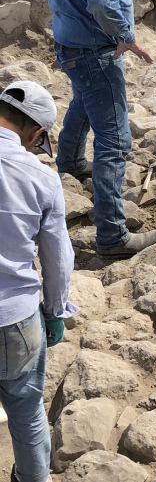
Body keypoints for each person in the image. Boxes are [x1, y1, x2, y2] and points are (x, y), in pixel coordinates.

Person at [47, 0, 156, 259]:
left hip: (72, 43)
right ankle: (112, 234)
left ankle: (71, 162)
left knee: (84, 102)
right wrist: (126, 36)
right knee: (114, 140)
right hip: (94, 52)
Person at [0, 81, 79, 482]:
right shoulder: (41, 178)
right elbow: (57, 259)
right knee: (28, 415)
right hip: (15, 319)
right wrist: (55, 311)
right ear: (37, 134)